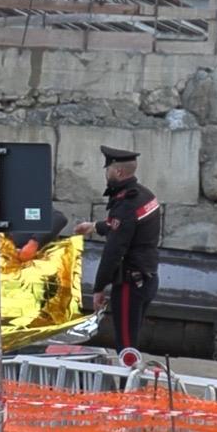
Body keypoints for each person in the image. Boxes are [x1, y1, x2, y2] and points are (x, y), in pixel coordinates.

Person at [72, 145, 161, 356]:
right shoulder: (145, 196)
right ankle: (130, 383)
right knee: (132, 337)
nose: (106, 173)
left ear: (118, 172)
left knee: (126, 345)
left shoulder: (126, 204)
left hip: (131, 283)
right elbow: (124, 228)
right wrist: (94, 226)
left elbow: (114, 250)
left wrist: (99, 288)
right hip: (148, 278)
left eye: (108, 169)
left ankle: (127, 389)